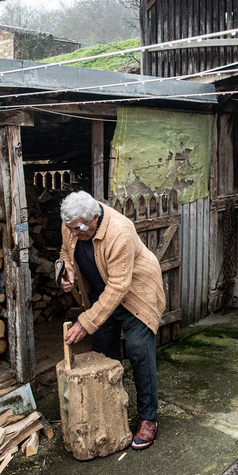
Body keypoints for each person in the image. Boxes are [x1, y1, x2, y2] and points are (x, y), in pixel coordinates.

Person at [58, 190, 166, 450]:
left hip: (136, 295)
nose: (74, 233)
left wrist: (84, 321)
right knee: (103, 351)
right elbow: (64, 252)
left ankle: (148, 418)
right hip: (102, 294)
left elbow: (119, 287)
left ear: (95, 216)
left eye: (78, 228)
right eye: (70, 228)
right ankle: (111, 413)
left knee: (138, 350)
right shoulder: (72, 223)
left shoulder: (120, 231)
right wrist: (66, 271)